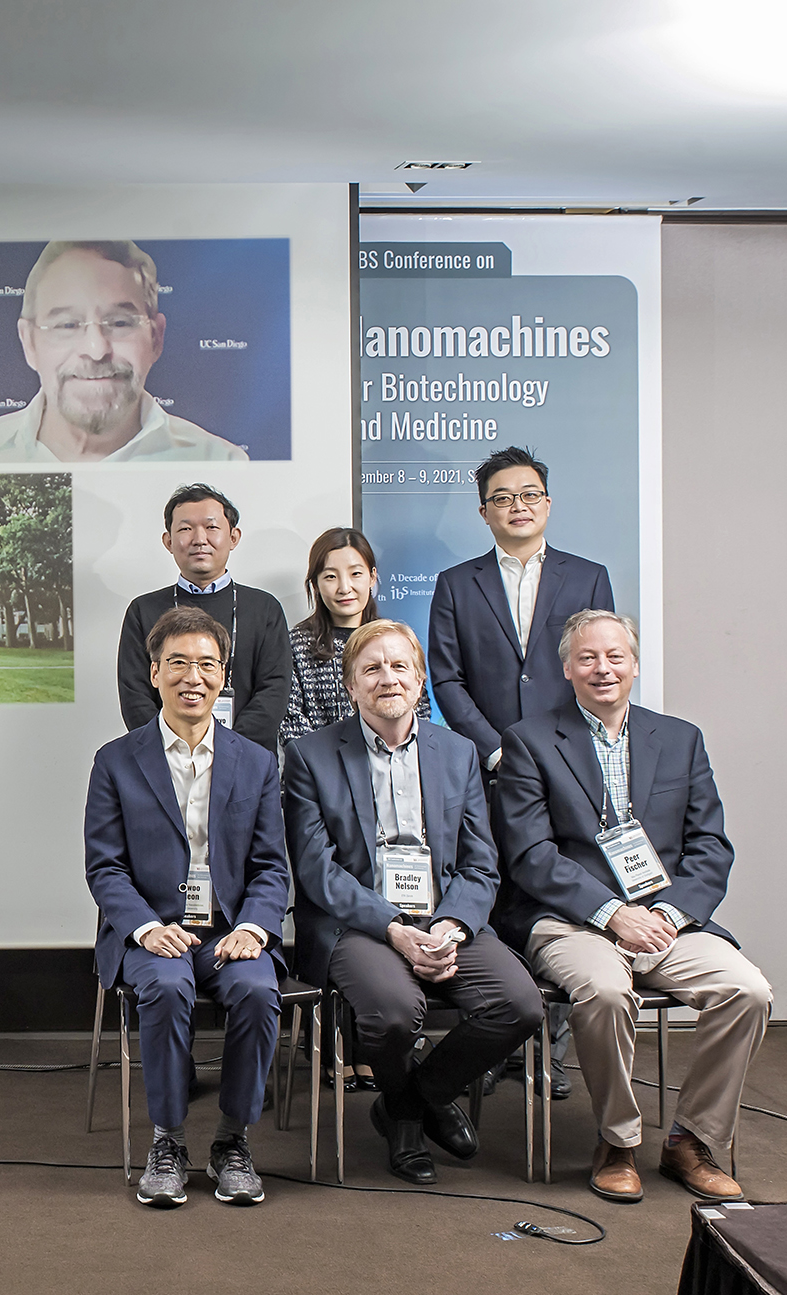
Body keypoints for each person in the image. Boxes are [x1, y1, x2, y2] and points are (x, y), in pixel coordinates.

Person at [496, 610, 770, 1204]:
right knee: (604, 991)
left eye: (615, 656)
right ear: (567, 669)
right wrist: (612, 913)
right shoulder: (530, 740)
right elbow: (530, 855)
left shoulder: (680, 739)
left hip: (667, 921)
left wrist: (667, 916)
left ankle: (691, 1141)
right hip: (572, 920)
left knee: (747, 990)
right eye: (588, 658)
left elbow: (710, 847)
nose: (603, 668)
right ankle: (617, 1142)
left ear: (635, 665)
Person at [282, 620, 542, 1184]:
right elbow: (316, 870)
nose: (388, 678)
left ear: (420, 679)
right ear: (350, 684)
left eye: (400, 666)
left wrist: (451, 925)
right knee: (393, 1013)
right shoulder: (310, 756)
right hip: (357, 924)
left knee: (519, 1004)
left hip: (445, 916)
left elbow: (480, 861)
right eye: (371, 669)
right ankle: (410, 1117)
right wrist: (394, 927)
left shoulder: (458, 752)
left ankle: (409, 1102)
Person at [85, 607, 286, 1208]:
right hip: (152, 933)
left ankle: (232, 1141)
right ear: (154, 673)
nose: (191, 676)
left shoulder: (256, 761)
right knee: (168, 988)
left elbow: (271, 866)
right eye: (177, 663)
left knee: (257, 990)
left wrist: (255, 928)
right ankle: (167, 1141)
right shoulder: (116, 760)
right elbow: (105, 867)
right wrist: (145, 928)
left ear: (224, 675)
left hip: (228, 932)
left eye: (206, 664)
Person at [430, 446, 614, 1101]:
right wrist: (495, 749)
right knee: (494, 897)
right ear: (484, 511)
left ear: (548, 503)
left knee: (563, 897)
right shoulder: (457, 583)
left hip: (568, 769)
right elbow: (446, 679)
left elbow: (594, 669)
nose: (518, 506)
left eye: (529, 494)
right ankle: (495, 1040)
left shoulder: (587, 577)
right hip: (489, 771)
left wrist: (552, 753)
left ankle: (552, 1052)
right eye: (503, 497)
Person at [0, 241, 247, 465]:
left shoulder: (222, 465)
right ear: (29, 343)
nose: (96, 349)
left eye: (120, 322)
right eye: (67, 325)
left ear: (156, 337)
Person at [115, 485, 289, 753]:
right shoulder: (142, 611)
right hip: (165, 759)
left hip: (248, 759)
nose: (199, 539)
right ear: (168, 541)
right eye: (186, 529)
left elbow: (274, 691)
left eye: (211, 527)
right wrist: (177, 749)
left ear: (233, 537)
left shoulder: (265, 609)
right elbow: (135, 696)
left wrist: (226, 749)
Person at [281, 527, 430, 744]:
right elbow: (290, 721)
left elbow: (419, 708)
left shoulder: (396, 641)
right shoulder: (295, 645)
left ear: (372, 577)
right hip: (319, 762)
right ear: (315, 584)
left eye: (356, 574)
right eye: (331, 577)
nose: (344, 587)